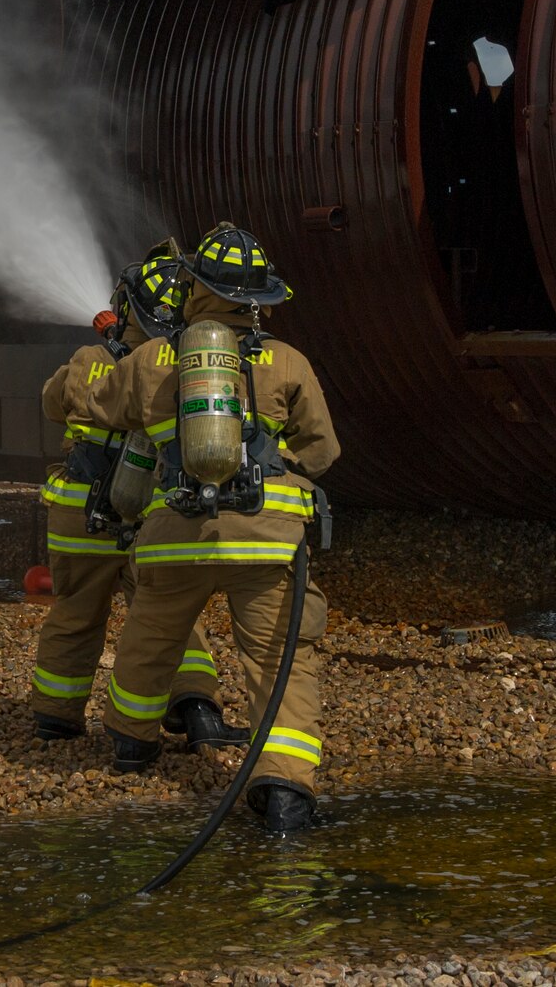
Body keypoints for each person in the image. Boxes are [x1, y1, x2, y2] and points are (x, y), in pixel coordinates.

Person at [85, 223, 339, 833]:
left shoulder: (153, 359)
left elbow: (96, 408)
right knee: (278, 663)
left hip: (176, 537)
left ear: (193, 286)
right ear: (256, 298)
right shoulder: (287, 360)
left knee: (150, 641)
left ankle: (132, 745)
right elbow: (323, 449)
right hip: (267, 537)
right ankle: (282, 791)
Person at [28, 248, 237, 748]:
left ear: (128, 308)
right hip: (156, 517)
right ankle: (196, 711)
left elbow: (55, 402)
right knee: (168, 613)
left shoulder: (92, 359)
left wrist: (109, 346)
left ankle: (57, 718)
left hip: (84, 516)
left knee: (77, 612)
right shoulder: (185, 365)